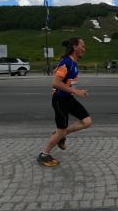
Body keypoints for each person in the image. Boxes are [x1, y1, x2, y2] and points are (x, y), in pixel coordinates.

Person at [37, 37, 92, 167]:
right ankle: (44, 154)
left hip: (68, 98)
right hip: (59, 100)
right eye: (82, 46)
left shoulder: (74, 62)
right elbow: (55, 83)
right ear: (74, 47)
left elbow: (66, 82)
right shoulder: (66, 62)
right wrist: (76, 91)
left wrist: (73, 92)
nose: (84, 49)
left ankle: (62, 134)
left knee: (87, 121)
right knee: (60, 130)